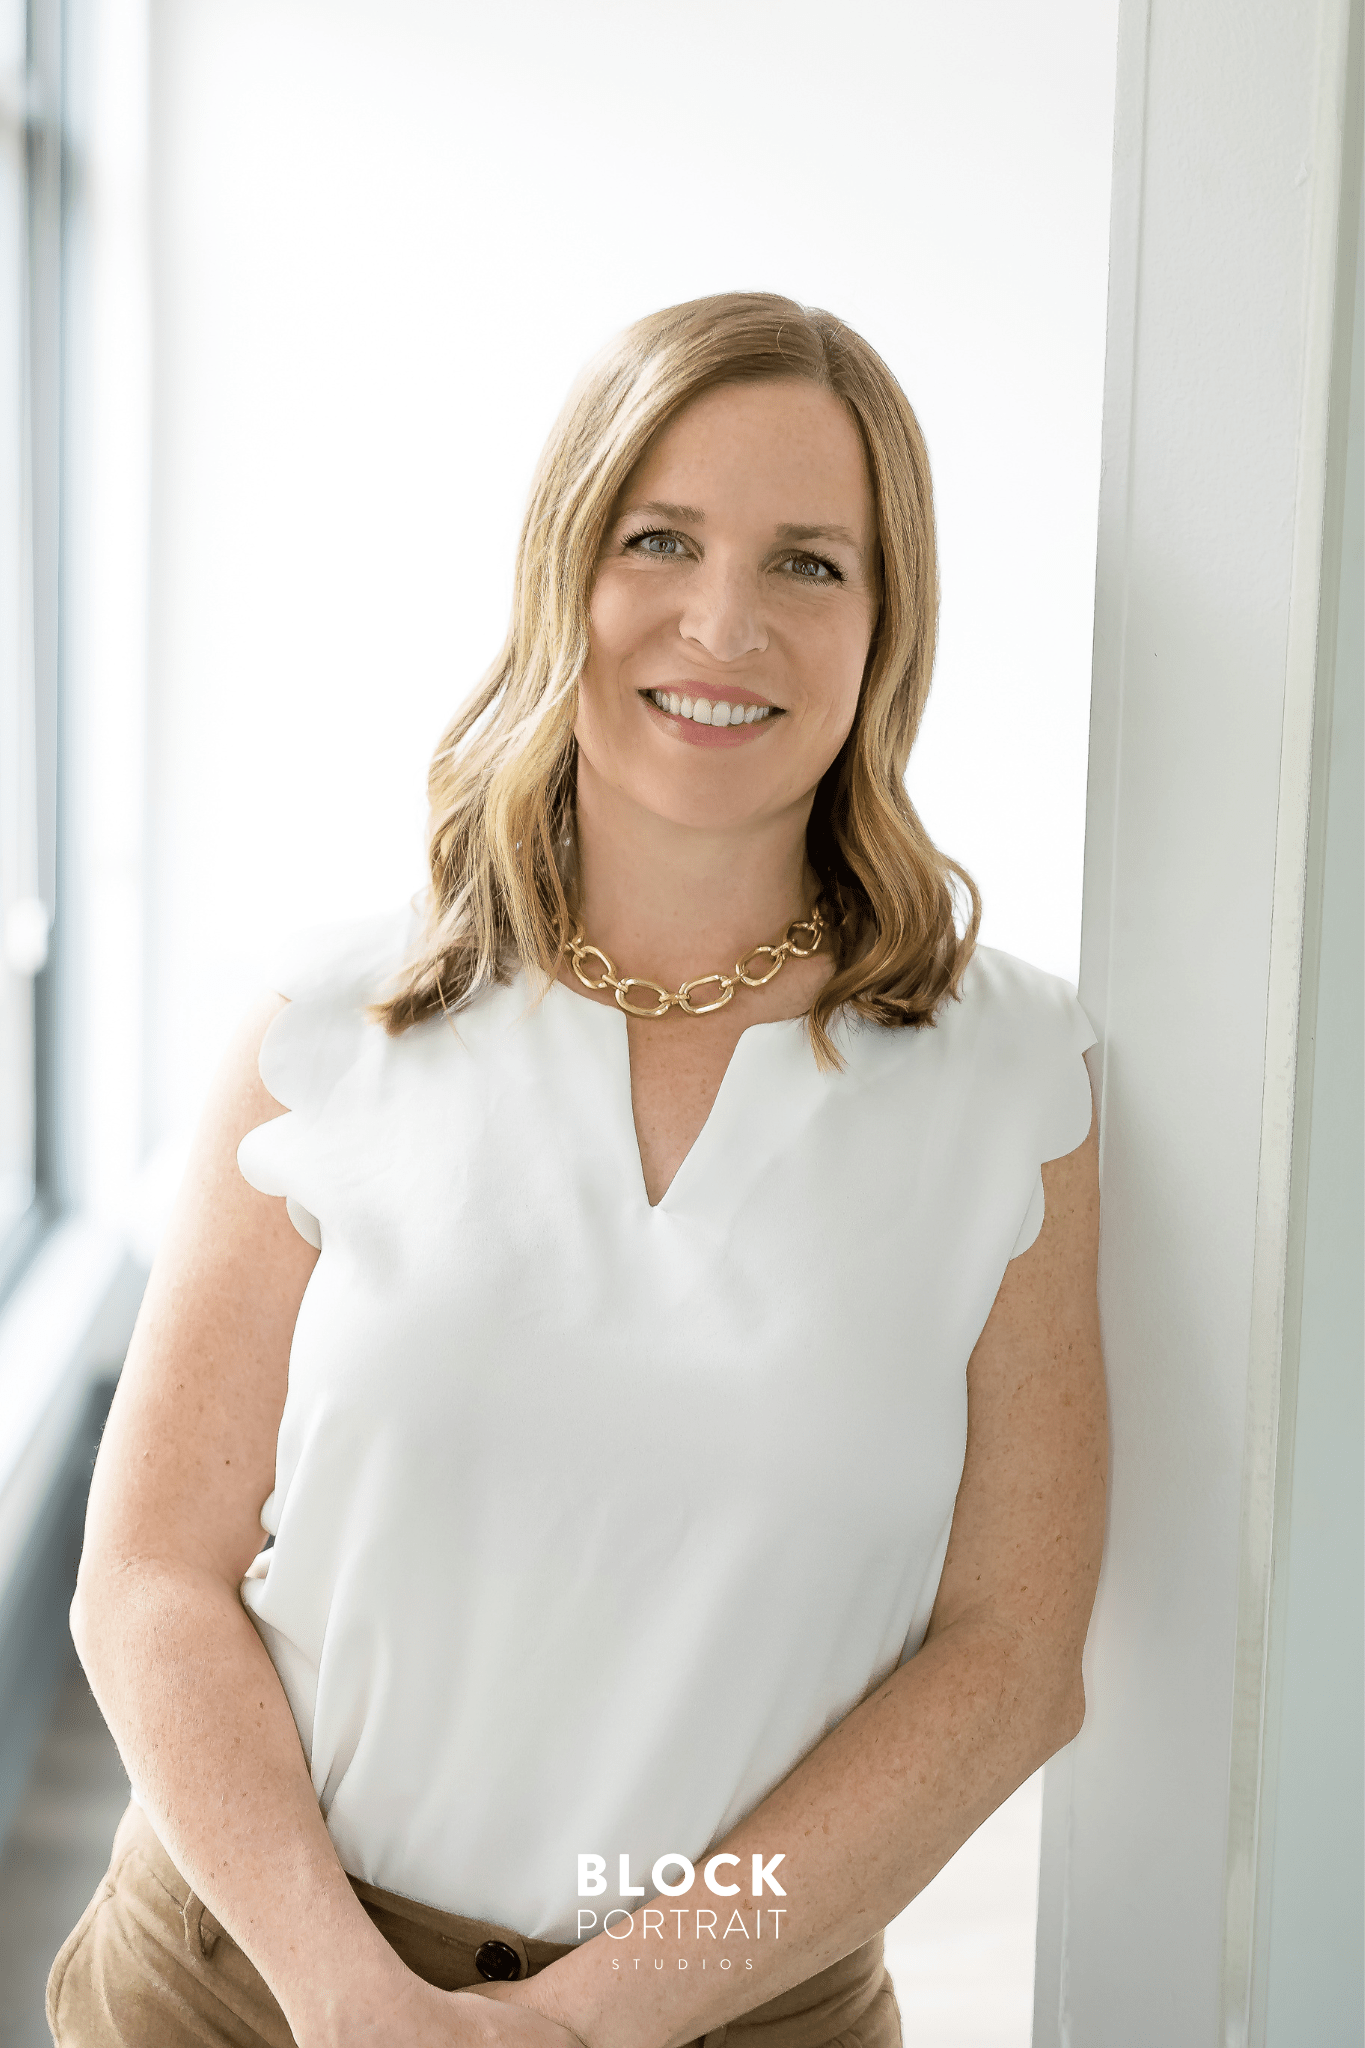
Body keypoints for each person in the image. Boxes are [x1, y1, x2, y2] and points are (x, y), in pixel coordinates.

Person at [48, 291, 1107, 2048]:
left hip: (740, 2007)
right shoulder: (334, 1025)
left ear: (888, 622)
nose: (722, 622)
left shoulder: (1020, 1082)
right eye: (661, 538)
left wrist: (584, 2020)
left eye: (810, 565)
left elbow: (1007, 1664)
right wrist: (346, 1997)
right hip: (242, 1987)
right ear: (565, 571)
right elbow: (148, 1577)